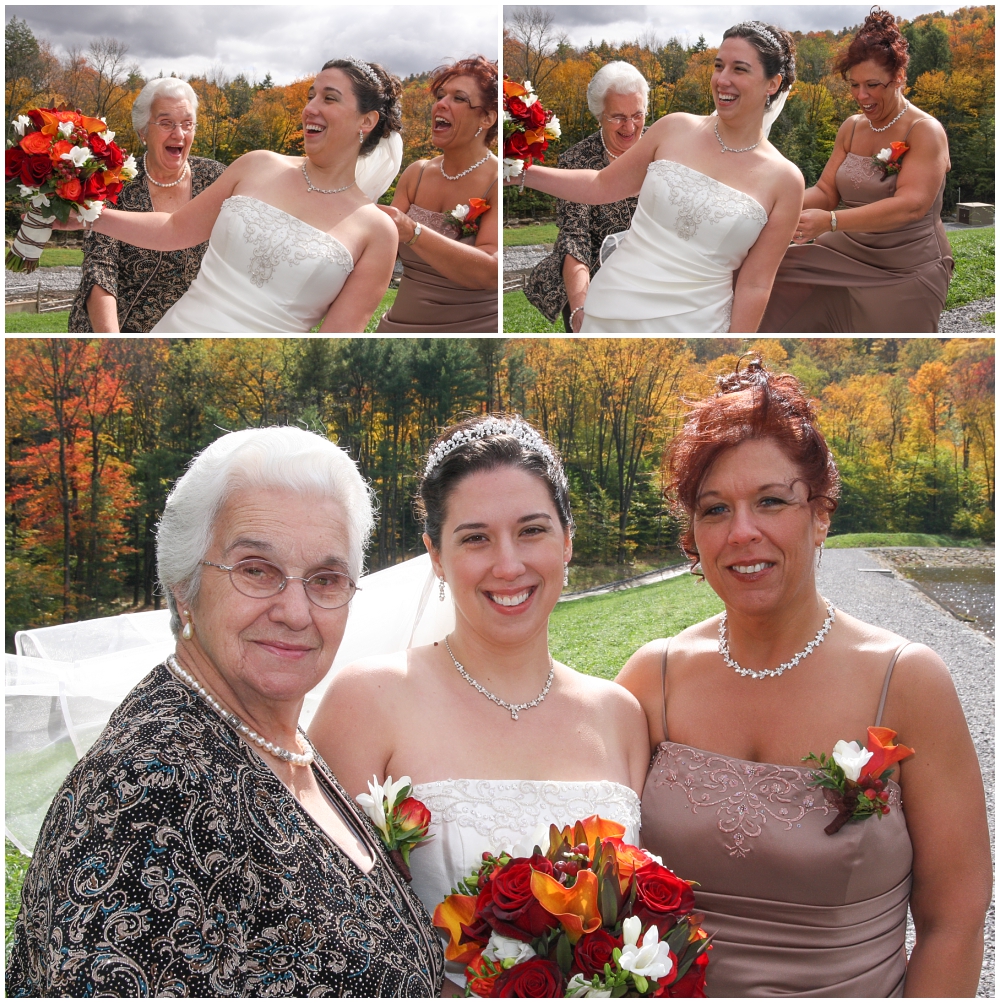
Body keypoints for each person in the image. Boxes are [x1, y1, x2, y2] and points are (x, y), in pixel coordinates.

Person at [5, 427, 444, 997]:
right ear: (184, 585)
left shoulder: (282, 744)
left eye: (326, 579)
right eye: (256, 569)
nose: (294, 610)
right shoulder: (145, 791)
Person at [616, 359, 991, 997]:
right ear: (693, 535)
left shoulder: (905, 682)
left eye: (771, 501)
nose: (742, 532)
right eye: (714, 510)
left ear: (820, 515)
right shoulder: (654, 679)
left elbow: (952, 919)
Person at [309, 415, 649, 990]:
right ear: (436, 557)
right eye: (475, 538)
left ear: (568, 540)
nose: (508, 564)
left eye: (533, 530)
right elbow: (319, 929)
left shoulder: (620, 716)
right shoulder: (368, 702)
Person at [53, 58, 402, 333]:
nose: (310, 107)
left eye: (329, 98)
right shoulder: (257, 165)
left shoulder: (377, 232)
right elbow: (173, 230)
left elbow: (334, 344)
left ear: (367, 121)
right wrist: (86, 215)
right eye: (311, 95)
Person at [509, 22, 803, 333]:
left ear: (773, 83)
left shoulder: (785, 181)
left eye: (739, 69)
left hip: (699, 323)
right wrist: (519, 173)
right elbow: (600, 185)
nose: (722, 79)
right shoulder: (674, 128)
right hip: (613, 309)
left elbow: (755, 284)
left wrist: (732, 347)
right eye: (719, 66)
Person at [759, 9, 953, 333]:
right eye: (854, 85)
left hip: (905, 265)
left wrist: (832, 221)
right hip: (843, 252)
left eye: (873, 85)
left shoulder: (924, 131)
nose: (862, 96)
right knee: (770, 282)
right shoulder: (850, 128)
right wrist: (768, 207)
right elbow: (825, 192)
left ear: (899, 78)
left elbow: (912, 205)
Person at [68, 78, 225, 333]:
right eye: (166, 123)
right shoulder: (114, 181)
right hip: (119, 328)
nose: (179, 134)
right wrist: (112, 344)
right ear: (143, 131)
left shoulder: (217, 179)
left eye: (187, 124)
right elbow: (100, 270)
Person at [376, 57, 499, 332]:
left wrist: (413, 232)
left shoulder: (499, 182)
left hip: (474, 332)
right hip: (398, 329)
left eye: (459, 98)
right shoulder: (415, 174)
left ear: (487, 118)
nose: (441, 104)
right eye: (441, 95)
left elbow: (492, 271)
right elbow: (382, 252)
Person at [524, 62, 646, 332]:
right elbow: (575, 238)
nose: (629, 126)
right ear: (599, 115)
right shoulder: (576, 159)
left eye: (637, 115)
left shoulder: (661, 150)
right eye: (617, 116)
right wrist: (581, 306)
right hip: (598, 282)